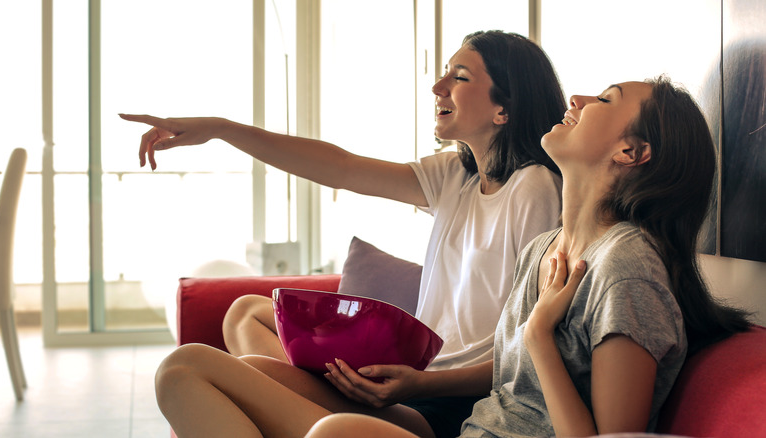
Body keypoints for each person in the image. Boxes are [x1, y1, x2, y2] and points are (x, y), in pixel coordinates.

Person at [123, 31, 567, 437]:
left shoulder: (534, 188)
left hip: (451, 407)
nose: (438, 86)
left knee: (188, 370)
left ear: (503, 108)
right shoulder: (456, 176)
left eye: (460, 76)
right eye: (445, 72)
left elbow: (527, 352)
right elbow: (340, 167)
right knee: (245, 316)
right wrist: (221, 130)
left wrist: (417, 385)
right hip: (409, 387)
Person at [302, 78, 752, 438]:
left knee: (332, 432)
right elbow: (512, 383)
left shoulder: (627, 269)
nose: (576, 97)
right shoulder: (544, 248)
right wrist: (418, 385)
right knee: (240, 376)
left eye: (603, 99)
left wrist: (538, 334)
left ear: (630, 152)